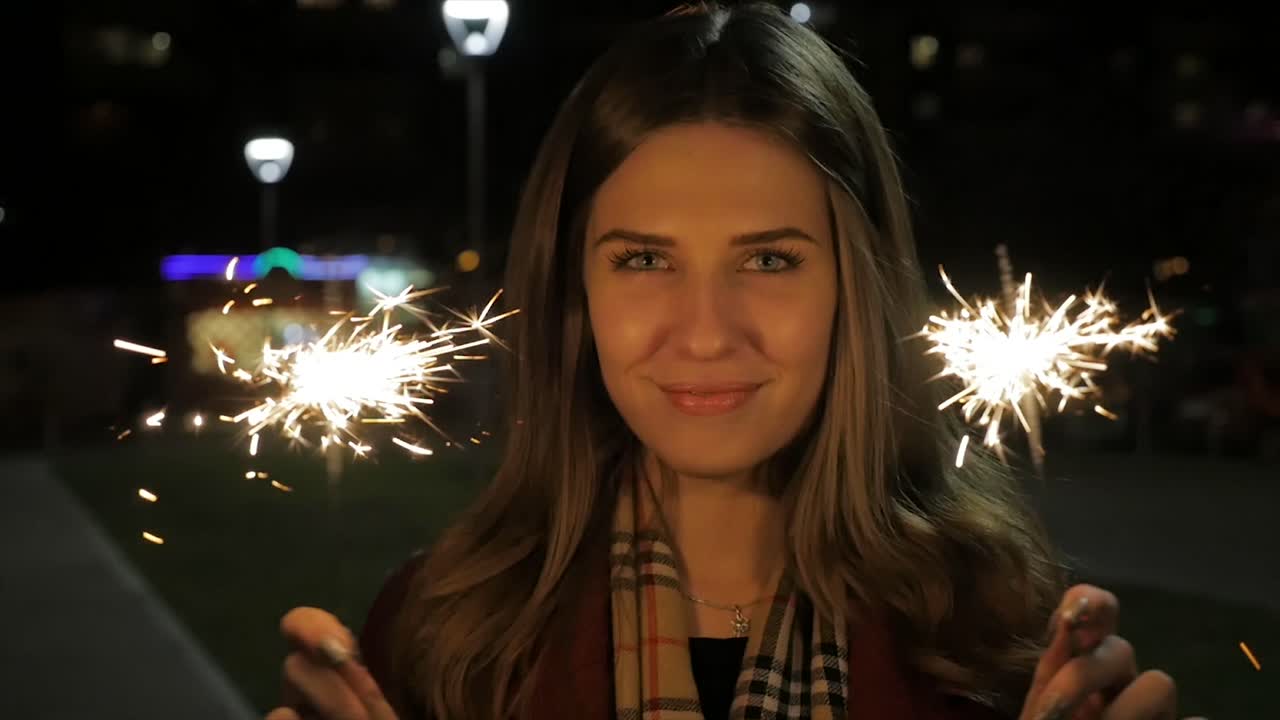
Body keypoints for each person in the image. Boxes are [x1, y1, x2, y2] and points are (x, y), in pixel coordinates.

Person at [266, 3, 1194, 719]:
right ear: (576, 296)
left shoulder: (1005, 644)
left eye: (768, 260)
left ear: (857, 289)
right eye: (643, 260)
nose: (706, 333)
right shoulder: (437, 640)